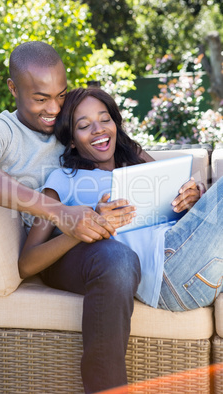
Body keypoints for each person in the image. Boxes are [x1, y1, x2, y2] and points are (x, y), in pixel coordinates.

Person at [18, 87, 223, 393]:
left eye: (105, 119)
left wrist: (193, 199)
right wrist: (84, 225)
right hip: (169, 275)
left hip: (198, 256)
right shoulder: (62, 181)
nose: (99, 130)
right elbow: (27, 263)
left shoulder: (139, 165)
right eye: (84, 125)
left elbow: (183, 215)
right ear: (72, 139)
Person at [0, 41, 118, 243]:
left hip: (94, 240)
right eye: (41, 100)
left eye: (61, 95)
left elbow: (129, 150)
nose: (54, 109)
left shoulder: (73, 122)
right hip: (48, 250)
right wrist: (59, 212)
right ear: (13, 88)